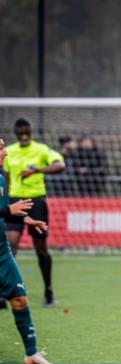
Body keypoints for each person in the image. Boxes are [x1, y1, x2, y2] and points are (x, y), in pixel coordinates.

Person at [0, 136, 55, 364]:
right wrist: (7, 209)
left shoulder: (1, 178)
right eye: (0, 147)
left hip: (1, 252)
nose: (4, 152)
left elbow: (5, 213)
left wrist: (28, 220)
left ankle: (31, 353)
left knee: (19, 299)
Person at [3, 118, 65, 308]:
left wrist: (37, 170)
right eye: (20, 132)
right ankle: (5, 293)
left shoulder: (41, 149)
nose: (23, 136)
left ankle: (48, 291)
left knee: (41, 249)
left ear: (31, 132)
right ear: (15, 133)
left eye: (26, 132)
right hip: (14, 202)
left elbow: (60, 165)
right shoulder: (9, 151)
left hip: (36, 202)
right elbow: (5, 179)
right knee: (10, 246)